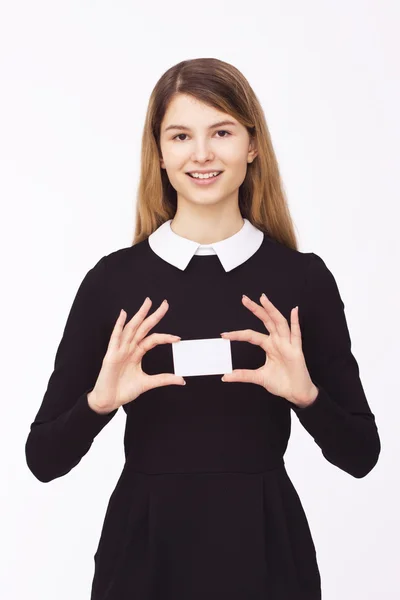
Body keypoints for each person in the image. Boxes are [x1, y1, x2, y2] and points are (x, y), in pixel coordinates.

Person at [25, 57, 381, 600]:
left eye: (221, 132)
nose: (202, 154)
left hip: (266, 556)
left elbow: (361, 454)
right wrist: (99, 402)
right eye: (181, 136)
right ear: (160, 152)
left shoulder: (301, 281)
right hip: (143, 559)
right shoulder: (112, 282)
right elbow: (43, 459)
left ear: (252, 144)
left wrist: (307, 397)